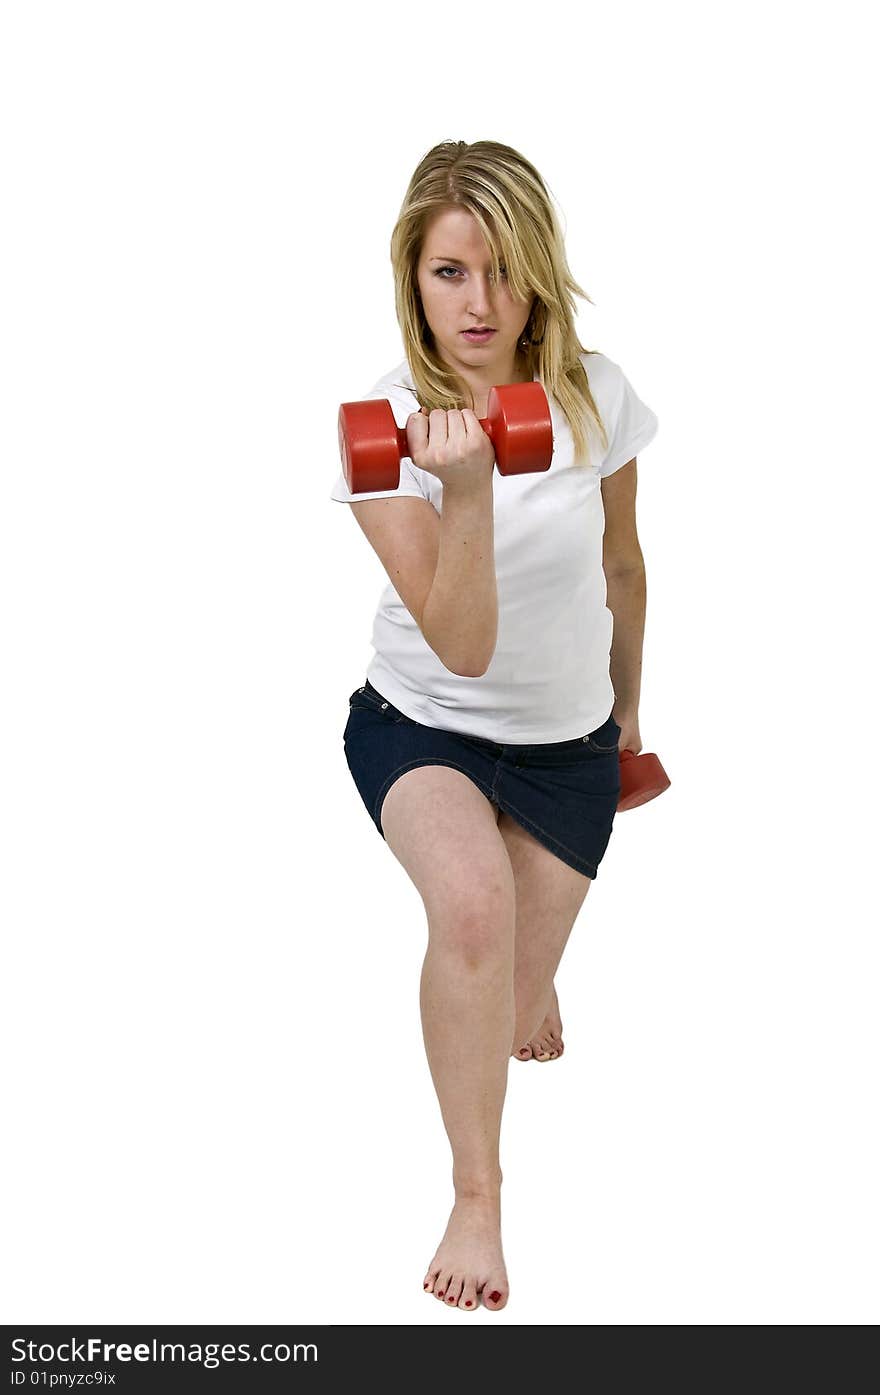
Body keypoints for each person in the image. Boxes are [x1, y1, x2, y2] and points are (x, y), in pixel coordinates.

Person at [329, 139, 659, 1312]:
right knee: (471, 907)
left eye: (504, 272)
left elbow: (622, 563)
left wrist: (629, 719)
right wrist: (462, 490)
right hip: (421, 722)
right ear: (412, 280)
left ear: (538, 273)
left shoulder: (594, 393)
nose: (481, 304)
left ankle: (531, 977)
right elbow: (460, 643)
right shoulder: (382, 432)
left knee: (510, 1005)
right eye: (450, 273)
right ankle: (478, 1194)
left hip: (567, 740)